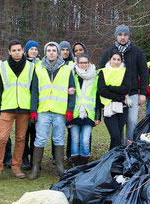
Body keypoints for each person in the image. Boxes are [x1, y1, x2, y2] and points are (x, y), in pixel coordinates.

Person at [0, 40, 34, 183]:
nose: (16, 53)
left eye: (19, 50)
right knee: (1, 139)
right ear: (9, 52)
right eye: (13, 50)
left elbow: (34, 90)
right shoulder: (1, 67)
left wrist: (33, 110)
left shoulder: (31, 67)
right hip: (7, 107)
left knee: (21, 139)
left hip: (24, 108)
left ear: (23, 51)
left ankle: (16, 166)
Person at [29, 42, 76, 179]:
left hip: (59, 111)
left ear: (58, 52)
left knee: (58, 138)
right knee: (40, 138)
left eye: (54, 50)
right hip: (43, 110)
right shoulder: (38, 69)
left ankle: (59, 166)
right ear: (45, 52)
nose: (51, 53)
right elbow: (34, 92)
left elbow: (72, 92)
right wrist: (33, 110)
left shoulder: (67, 69)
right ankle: (35, 167)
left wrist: (70, 110)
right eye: (48, 50)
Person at [98, 25, 148, 143]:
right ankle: (119, 148)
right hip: (114, 95)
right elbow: (101, 72)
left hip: (133, 93)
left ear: (128, 36)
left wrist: (143, 93)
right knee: (118, 125)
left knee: (131, 121)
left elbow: (144, 73)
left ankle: (130, 147)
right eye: (120, 35)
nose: (122, 37)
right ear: (116, 36)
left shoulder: (137, 52)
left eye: (125, 35)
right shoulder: (109, 53)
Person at [70, 53, 101, 165]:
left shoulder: (95, 76)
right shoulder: (72, 74)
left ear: (89, 63)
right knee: (75, 140)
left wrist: (98, 116)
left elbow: (97, 97)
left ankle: (83, 163)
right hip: (74, 112)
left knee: (85, 140)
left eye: (85, 62)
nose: (83, 65)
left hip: (89, 113)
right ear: (77, 63)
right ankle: (75, 163)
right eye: (81, 62)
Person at [98, 50, 130, 150]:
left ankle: (113, 158)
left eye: (118, 60)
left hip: (122, 108)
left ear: (121, 61)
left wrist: (110, 87)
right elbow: (102, 90)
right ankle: (112, 158)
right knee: (115, 135)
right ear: (110, 60)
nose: (116, 62)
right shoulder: (103, 72)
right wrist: (119, 97)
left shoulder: (125, 72)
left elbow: (126, 88)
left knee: (118, 136)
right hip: (108, 107)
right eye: (114, 59)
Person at [22, 40, 40, 170]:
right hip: (23, 102)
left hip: (38, 102)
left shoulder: (40, 64)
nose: (33, 51)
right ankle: (24, 157)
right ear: (26, 50)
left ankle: (35, 158)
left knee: (36, 133)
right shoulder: (22, 63)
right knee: (23, 133)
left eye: (35, 49)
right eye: (31, 49)